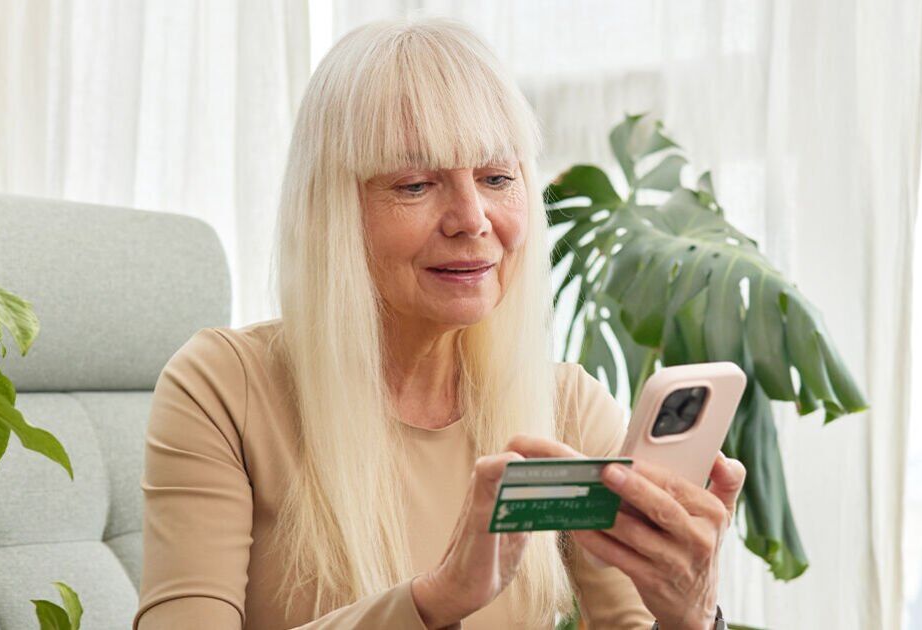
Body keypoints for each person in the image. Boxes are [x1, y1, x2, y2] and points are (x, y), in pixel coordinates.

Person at [134, 13, 746, 630]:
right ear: (332, 210)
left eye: (497, 177)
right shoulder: (224, 389)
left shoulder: (567, 408)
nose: (472, 219)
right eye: (416, 184)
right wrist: (435, 600)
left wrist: (690, 615)